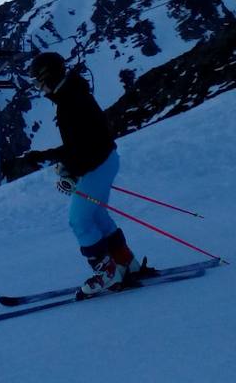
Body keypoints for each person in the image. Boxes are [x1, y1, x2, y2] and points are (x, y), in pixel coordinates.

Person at [19, 51, 152, 297]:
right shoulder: (71, 94)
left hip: (98, 163)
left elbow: (83, 146)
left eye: (38, 81)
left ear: (48, 77)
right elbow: (82, 143)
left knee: (79, 220)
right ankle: (125, 264)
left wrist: (69, 169)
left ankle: (107, 273)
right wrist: (64, 163)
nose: (38, 88)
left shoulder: (70, 100)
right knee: (97, 215)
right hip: (104, 160)